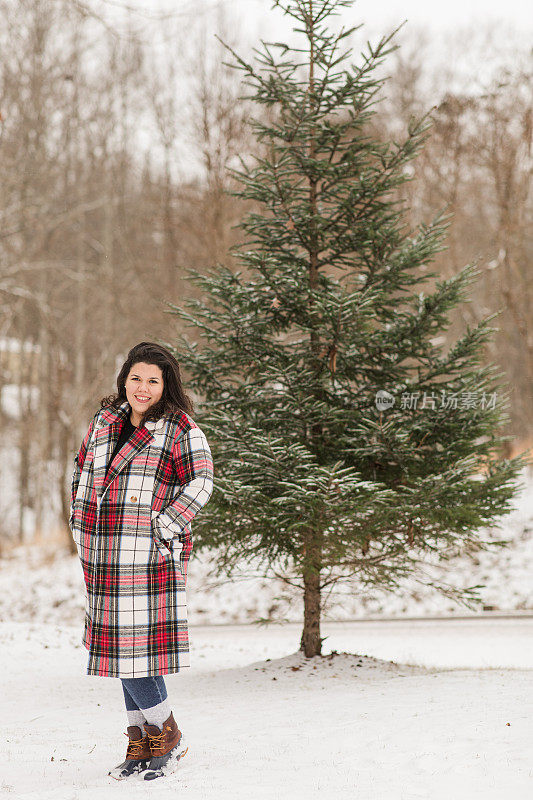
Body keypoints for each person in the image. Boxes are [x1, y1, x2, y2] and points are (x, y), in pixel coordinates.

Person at [68, 341, 214, 781]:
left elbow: (202, 482)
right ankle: (140, 744)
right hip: (101, 552)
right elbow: (81, 470)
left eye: (153, 380)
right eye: (136, 378)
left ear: (165, 385)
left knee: (133, 652)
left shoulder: (180, 429)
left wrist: (163, 525)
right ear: (124, 380)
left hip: (145, 556)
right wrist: (79, 514)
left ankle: (166, 735)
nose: (143, 388)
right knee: (123, 653)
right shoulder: (104, 422)